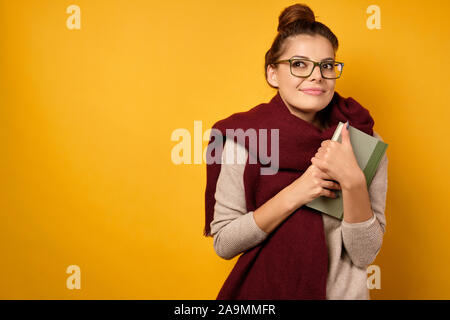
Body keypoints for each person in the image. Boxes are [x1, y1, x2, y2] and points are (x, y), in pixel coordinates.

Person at [203, 3, 388, 300]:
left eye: (327, 65)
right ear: (273, 74)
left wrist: (352, 181)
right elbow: (224, 243)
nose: (317, 76)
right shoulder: (245, 139)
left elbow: (364, 254)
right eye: (299, 64)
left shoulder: (362, 137)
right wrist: (299, 191)